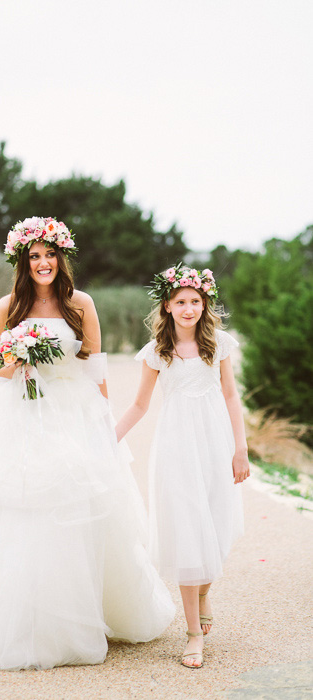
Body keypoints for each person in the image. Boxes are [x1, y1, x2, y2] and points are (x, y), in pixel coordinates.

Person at [0, 217, 174, 671]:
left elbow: (95, 369)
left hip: (72, 413)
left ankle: (85, 611)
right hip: (22, 412)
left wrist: (103, 428)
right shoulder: (7, 306)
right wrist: (21, 352)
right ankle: (19, 618)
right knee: (20, 506)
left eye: (49, 254)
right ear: (22, 261)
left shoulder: (82, 304)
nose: (42, 263)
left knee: (78, 504)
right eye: (34, 256)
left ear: (61, 257)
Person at [115, 264, 250, 669]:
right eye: (180, 302)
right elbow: (140, 404)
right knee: (189, 530)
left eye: (195, 301)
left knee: (218, 526)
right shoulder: (156, 351)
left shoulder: (218, 343)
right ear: (167, 306)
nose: (188, 308)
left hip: (214, 444)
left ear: (204, 303)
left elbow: (230, 398)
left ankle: (204, 590)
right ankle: (193, 634)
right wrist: (108, 437)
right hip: (176, 447)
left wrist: (240, 448)